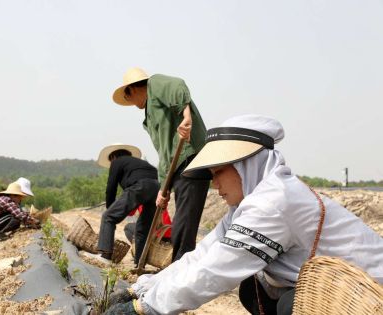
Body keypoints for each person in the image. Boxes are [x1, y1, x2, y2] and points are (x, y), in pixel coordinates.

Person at [104, 115, 383, 315]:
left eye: (218, 173)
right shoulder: (248, 204)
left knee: (291, 305)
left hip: (369, 297)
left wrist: (145, 308)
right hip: (340, 290)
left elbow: (215, 271)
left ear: (246, 165)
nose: (215, 184)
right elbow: (205, 255)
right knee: (254, 289)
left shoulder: (274, 202)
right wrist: (143, 288)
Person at [112, 67, 210, 262]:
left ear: (132, 90)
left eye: (129, 99)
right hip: (178, 166)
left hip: (191, 158)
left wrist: (187, 115)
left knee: (184, 225)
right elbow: (165, 152)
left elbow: (177, 86)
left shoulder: (154, 85)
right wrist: (163, 188)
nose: (132, 104)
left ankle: (180, 270)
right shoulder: (149, 115)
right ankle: (180, 267)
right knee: (182, 224)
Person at [92, 143, 159, 265]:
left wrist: (110, 208)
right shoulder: (140, 164)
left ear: (113, 157)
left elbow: (111, 188)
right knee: (142, 229)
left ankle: (105, 255)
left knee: (108, 217)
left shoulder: (117, 162)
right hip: (156, 188)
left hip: (139, 186)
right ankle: (140, 263)